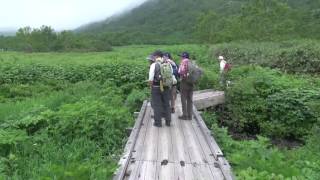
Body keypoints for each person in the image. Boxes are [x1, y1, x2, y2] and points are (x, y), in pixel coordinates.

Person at [148, 50, 172, 127]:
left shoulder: (154, 65)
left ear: (157, 56)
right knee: (167, 104)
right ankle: (168, 122)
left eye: (154, 56)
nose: (153, 57)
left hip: (156, 87)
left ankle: (158, 123)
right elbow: (171, 75)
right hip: (166, 87)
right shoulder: (168, 64)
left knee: (157, 105)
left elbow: (151, 78)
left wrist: (150, 87)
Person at [178, 52, 193, 120]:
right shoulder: (191, 62)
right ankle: (190, 115)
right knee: (190, 99)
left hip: (184, 82)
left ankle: (185, 115)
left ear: (183, 57)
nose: (180, 57)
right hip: (191, 82)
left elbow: (180, 71)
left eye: (181, 56)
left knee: (183, 98)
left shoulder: (183, 62)